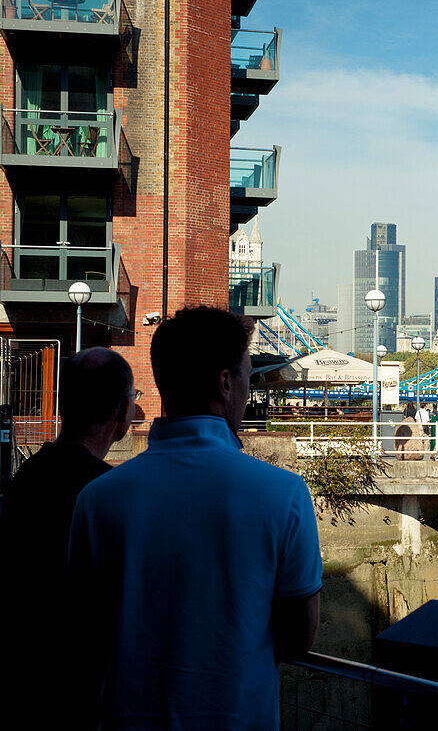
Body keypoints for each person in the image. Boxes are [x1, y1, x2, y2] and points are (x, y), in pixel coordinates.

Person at [68, 307, 323, 729]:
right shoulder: (284, 494)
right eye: (246, 376)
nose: (248, 390)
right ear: (225, 384)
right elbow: (299, 638)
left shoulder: (97, 501)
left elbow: (84, 632)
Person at [0, 348, 135, 727]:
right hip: (80, 687)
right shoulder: (108, 491)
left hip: (24, 676)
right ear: (123, 412)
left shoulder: (28, 477)